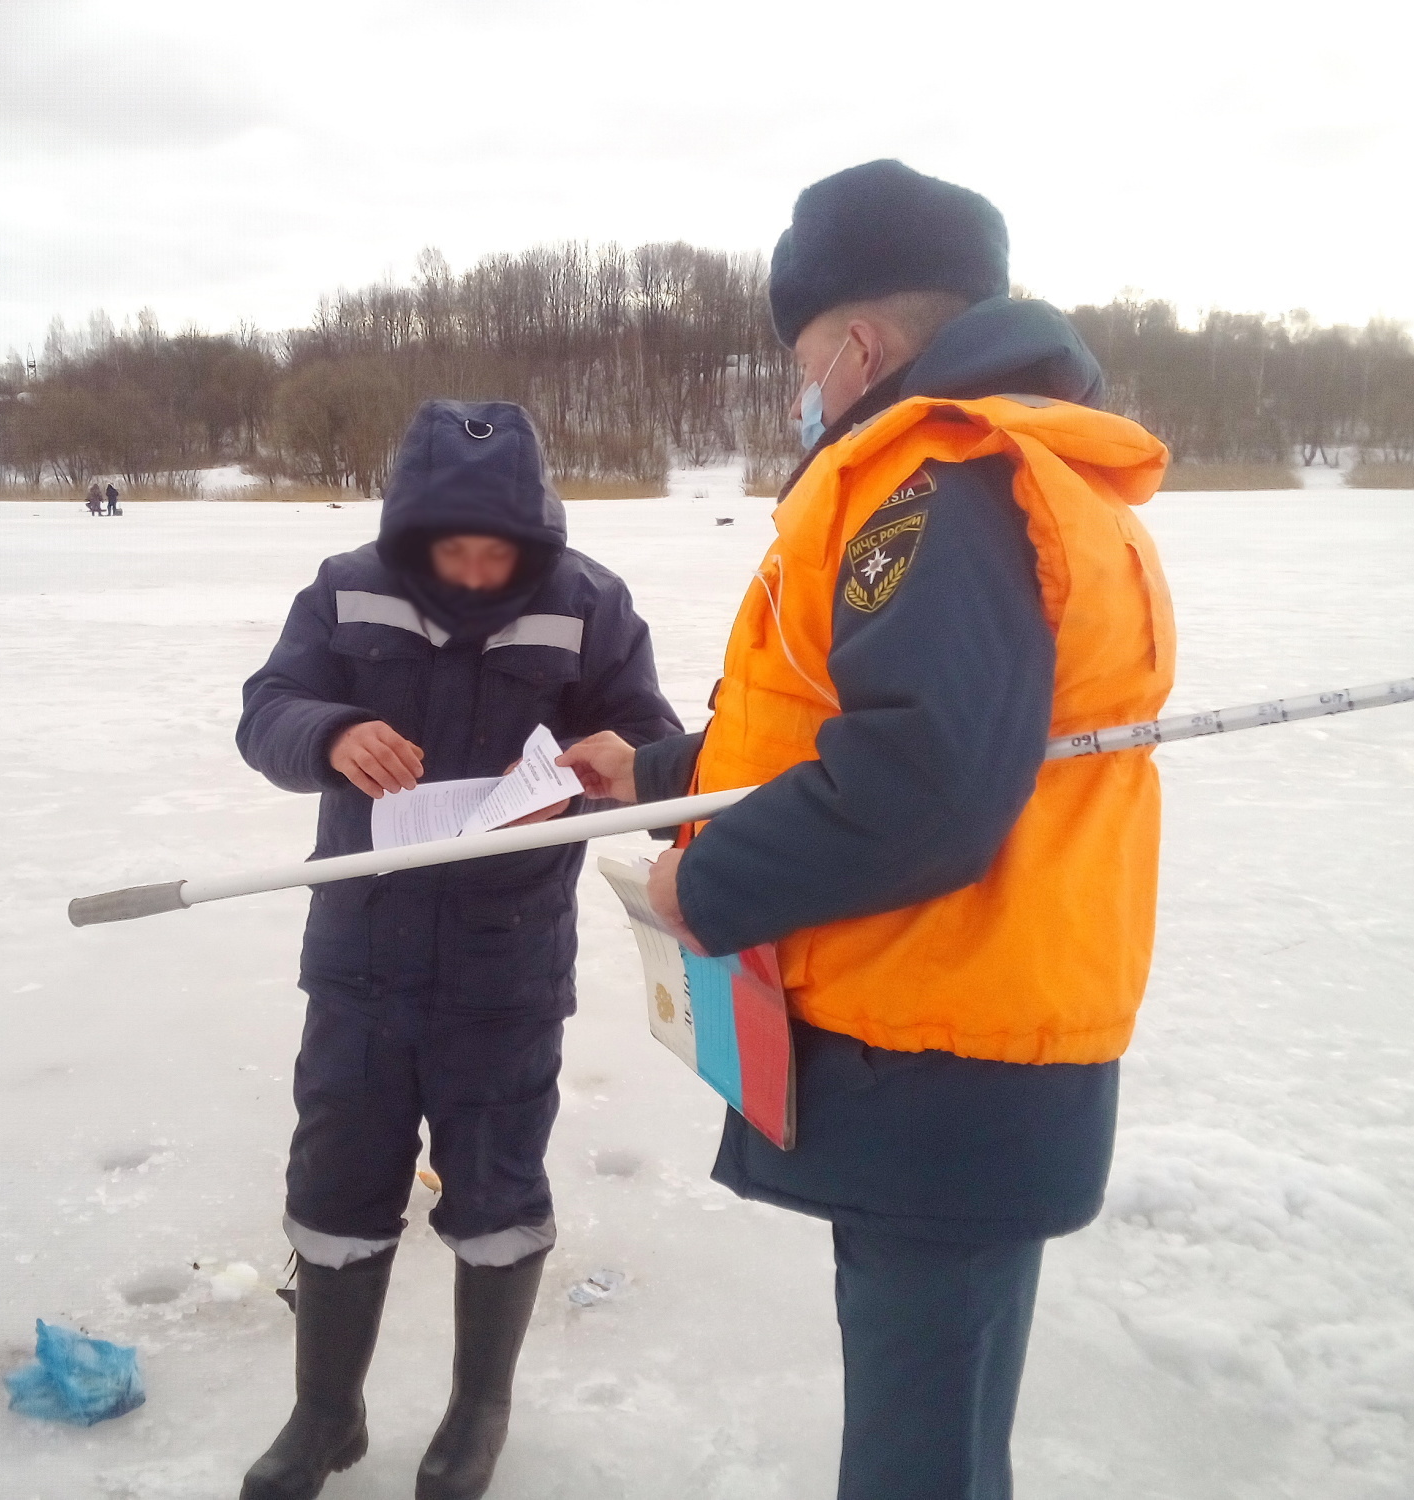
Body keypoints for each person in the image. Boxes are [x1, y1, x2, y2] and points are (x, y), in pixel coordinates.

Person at [560, 160, 1176, 1500]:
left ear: (860, 343)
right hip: (951, 1039)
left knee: (920, 1454)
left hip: (946, 1046)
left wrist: (702, 887)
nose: (802, 391)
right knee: (932, 1424)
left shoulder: (937, 484)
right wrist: (657, 768)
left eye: (801, 359)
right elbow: (841, 719)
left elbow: (923, 786)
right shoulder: (974, 468)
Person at [235, 399, 680, 1500]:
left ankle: (477, 1409)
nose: (479, 572)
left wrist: (613, 764)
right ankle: (324, 1414)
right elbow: (268, 710)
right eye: (453, 548)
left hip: (507, 967)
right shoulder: (344, 590)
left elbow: (652, 746)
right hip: (360, 958)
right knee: (336, 1181)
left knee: (495, 1188)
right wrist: (331, 735)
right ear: (410, 533)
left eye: (501, 551)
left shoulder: (588, 603)